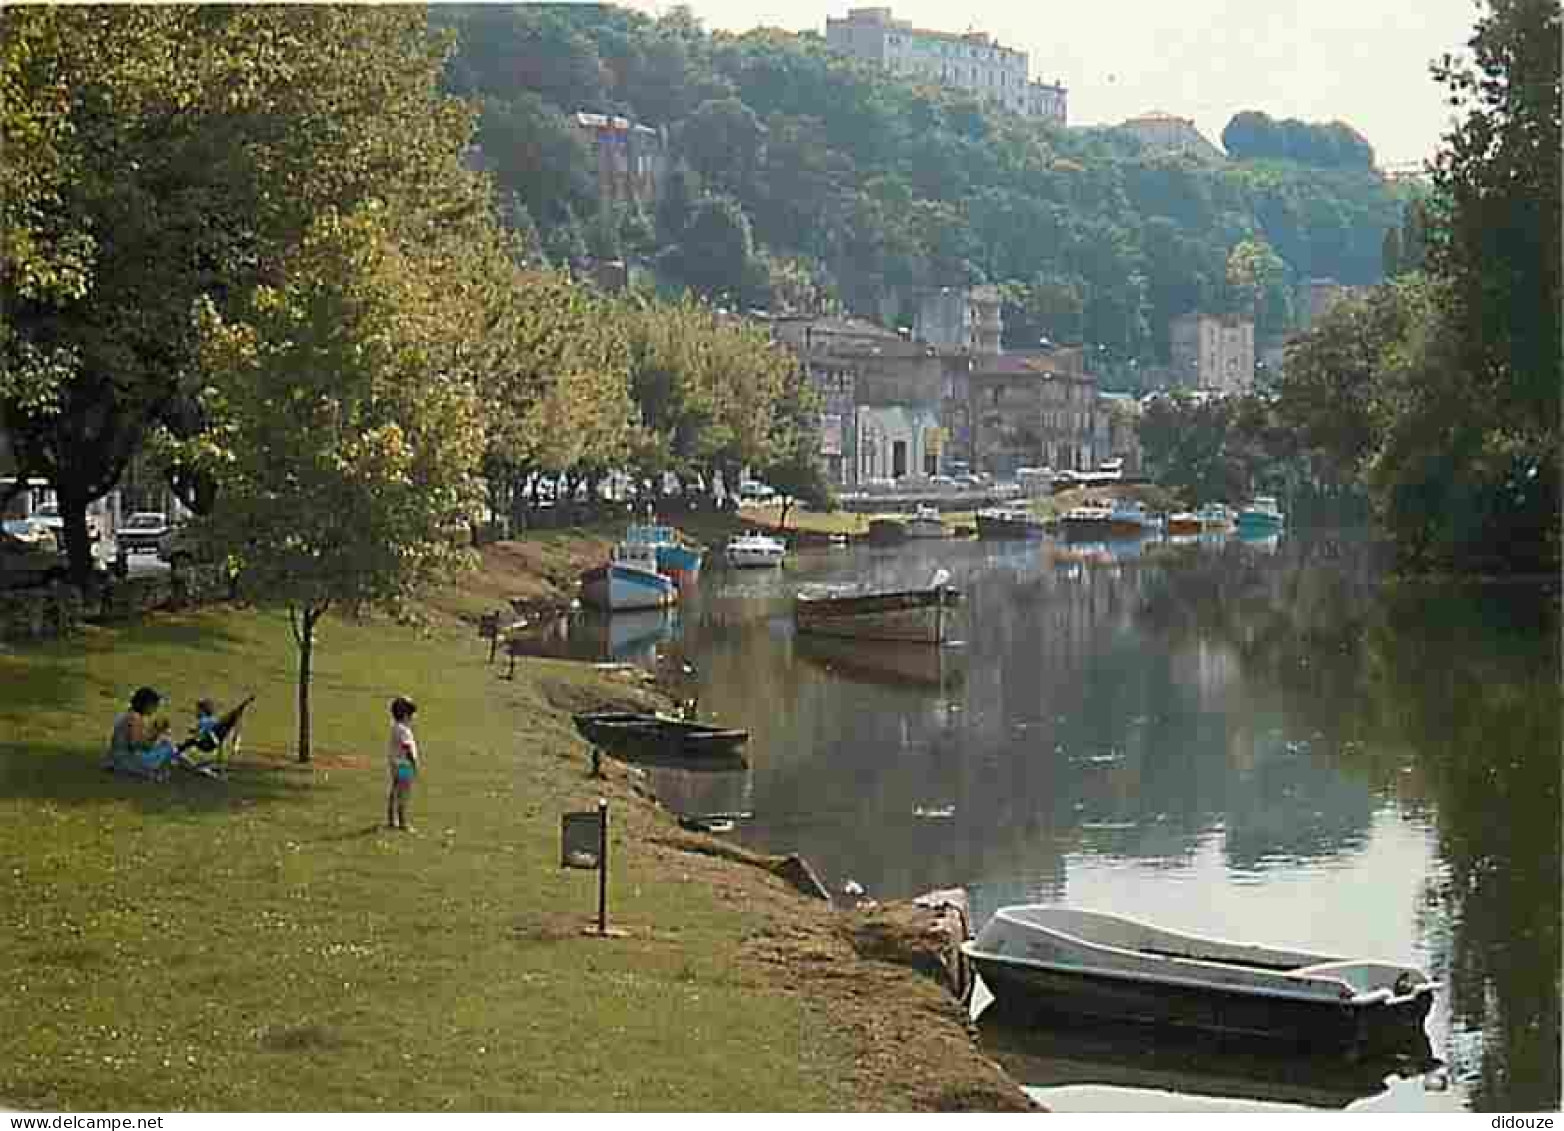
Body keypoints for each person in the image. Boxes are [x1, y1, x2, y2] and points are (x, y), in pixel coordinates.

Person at [103, 687, 183, 779]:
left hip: (116, 757)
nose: (155, 709)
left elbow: (139, 741)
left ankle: (164, 767)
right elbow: (136, 744)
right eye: (154, 706)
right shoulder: (135, 718)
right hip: (125, 759)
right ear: (147, 705)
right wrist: (156, 732)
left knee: (165, 746)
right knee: (167, 747)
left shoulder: (128, 714)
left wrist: (155, 733)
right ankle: (158, 770)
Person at [386, 695, 420, 832]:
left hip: (395, 764)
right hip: (404, 765)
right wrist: (414, 763)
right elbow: (407, 747)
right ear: (406, 715)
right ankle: (402, 822)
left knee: (395, 790)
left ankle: (391, 819)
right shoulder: (404, 730)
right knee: (404, 793)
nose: (413, 718)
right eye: (411, 715)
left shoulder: (395, 727)